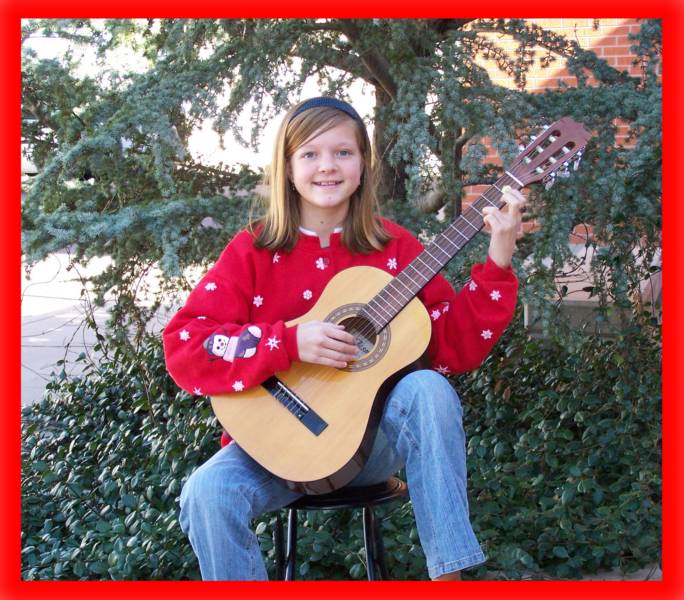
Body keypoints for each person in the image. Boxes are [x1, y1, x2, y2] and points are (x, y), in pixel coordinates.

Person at [163, 96, 525, 581]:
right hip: (276, 449)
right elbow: (186, 344)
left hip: (369, 446)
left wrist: (497, 261)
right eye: (310, 154)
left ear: (363, 166)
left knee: (428, 388)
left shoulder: (394, 247)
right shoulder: (253, 250)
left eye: (343, 153)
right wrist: (287, 342)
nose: (327, 167)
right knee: (207, 492)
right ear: (288, 169)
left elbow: (454, 346)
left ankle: (451, 580)